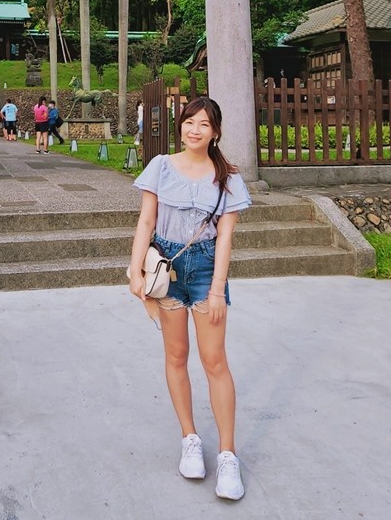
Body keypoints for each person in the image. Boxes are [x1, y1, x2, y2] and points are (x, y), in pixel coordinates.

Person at [128, 95, 252, 501]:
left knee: (215, 360)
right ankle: (190, 439)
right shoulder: (161, 166)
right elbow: (147, 219)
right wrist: (135, 269)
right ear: (180, 125)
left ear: (215, 132)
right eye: (189, 122)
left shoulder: (228, 178)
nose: (194, 129)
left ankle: (229, 454)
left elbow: (226, 237)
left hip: (204, 271)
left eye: (204, 124)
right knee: (176, 355)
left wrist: (218, 288)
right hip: (166, 266)